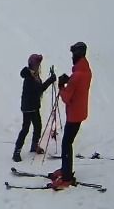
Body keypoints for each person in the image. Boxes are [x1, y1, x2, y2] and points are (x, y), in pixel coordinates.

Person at [52, 42, 92, 189]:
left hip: (74, 114)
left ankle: (67, 176)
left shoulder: (77, 76)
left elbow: (66, 97)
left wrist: (62, 86)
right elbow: (79, 84)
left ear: (78, 55)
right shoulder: (86, 70)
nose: (72, 57)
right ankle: (65, 169)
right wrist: (69, 81)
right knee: (68, 142)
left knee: (66, 143)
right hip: (81, 112)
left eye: (73, 54)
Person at [13, 53, 55, 162]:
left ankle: (34, 146)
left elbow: (39, 88)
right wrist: (50, 80)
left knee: (38, 126)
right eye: (37, 64)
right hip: (28, 107)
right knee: (25, 129)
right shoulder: (29, 77)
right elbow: (40, 89)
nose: (38, 66)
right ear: (32, 64)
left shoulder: (34, 75)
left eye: (39, 64)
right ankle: (16, 152)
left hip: (34, 106)